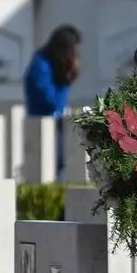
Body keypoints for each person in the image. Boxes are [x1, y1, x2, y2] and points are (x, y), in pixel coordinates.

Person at [23, 24, 82, 180]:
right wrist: (66, 79)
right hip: (44, 127)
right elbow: (51, 100)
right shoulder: (41, 67)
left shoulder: (53, 66)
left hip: (57, 125)